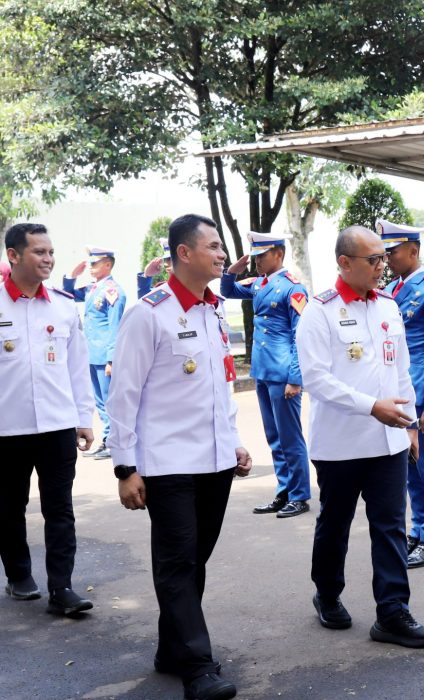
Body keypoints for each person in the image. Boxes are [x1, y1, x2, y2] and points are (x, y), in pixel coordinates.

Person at [107, 214, 252, 700]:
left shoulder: (214, 310)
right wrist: (125, 467)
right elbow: (123, 395)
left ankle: (173, 649)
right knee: (177, 563)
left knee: (195, 560)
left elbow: (220, 386)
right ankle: (198, 667)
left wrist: (233, 440)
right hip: (167, 464)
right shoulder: (148, 313)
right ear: (183, 253)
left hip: (213, 461)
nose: (221, 254)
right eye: (212, 246)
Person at [295, 225, 424, 649]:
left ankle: (392, 612)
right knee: (335, 523)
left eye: (383, 258)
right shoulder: (319, 312)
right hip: (340, 443)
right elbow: (316, 379)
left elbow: (402, 371)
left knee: (391, 525)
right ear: (344, 262)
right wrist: (370, 406)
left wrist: (410, 424)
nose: (382, 266)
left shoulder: (388, 307)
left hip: (389, 441)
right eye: (372, 260)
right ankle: (328, 593)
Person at [1, 223, 96, 616]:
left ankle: (62, 588)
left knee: (60, 508)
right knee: (8, 507)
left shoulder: (62, 305)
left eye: (50, 252)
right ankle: (19, 574)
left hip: (57, 426)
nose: (48, 259)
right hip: (6, 428)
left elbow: (77, 367)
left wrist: (84, 418)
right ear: (14, 255)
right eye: (39, 252)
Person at [221, 232, 312, 518]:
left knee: (290, 437)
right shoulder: (260, 284)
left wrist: (296, 378)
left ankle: (299, 495)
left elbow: (301, 337)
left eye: (262, 255)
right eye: (256, 255)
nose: (257, 261)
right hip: (263, 369)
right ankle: (284, 491)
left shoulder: (292, 288)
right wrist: (232, 270)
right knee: (274, 437)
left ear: (279, 255)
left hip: (283, 373)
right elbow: (229, 291)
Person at [379, 220, 424, 569]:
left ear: (412, 251)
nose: (387, 258)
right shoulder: (393, 289)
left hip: (422, 392)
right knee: (411, 468)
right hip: (400, 393)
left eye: (391, 252)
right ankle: (419, 530)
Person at [62, 246, 126, 460]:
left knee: (109, 400)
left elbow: (114, 326)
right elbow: (68, 295)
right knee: (99, 401)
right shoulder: (92, 289)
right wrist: (71, 276)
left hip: (104, 356)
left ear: (108, 264)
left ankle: (113, 441)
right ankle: (107, 439)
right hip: (90, 353)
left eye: (95, 263)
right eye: (90, 263)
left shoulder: (112, 290)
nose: (91, 267)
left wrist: (111, 359)